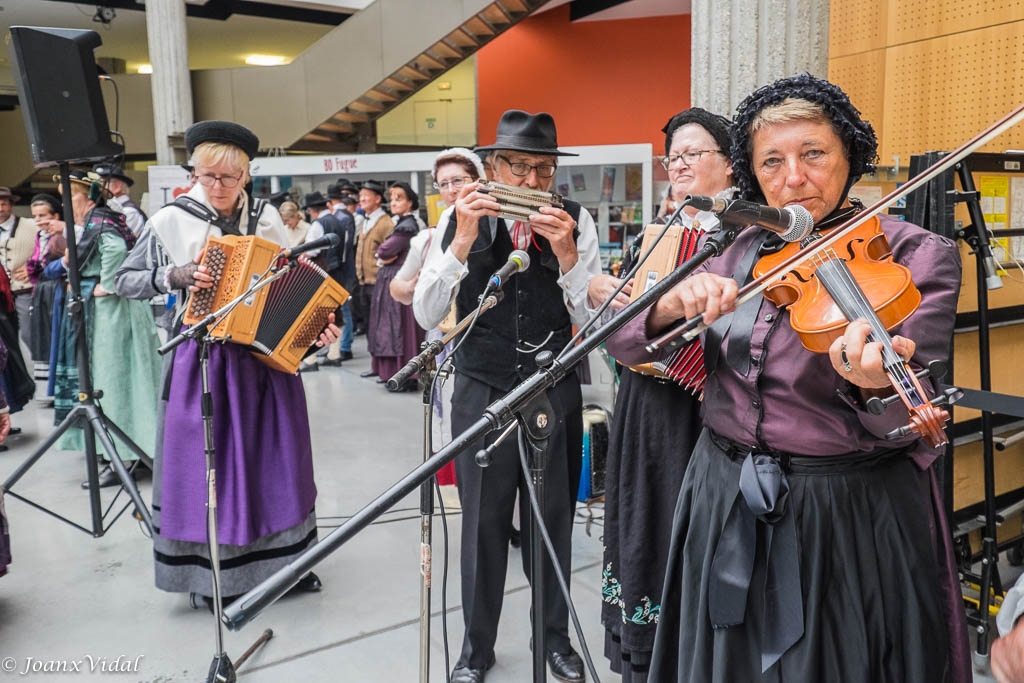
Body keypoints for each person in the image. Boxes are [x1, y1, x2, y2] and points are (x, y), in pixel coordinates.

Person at [607, 73, 970, 682]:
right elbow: (622, 336)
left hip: (844, 512)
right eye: (771, 161)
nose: (793, 178)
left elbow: (915, 412)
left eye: (813, 154)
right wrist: (670, 304)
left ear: (849, 156)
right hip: (720, 492)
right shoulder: (735, 246)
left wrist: (875, 386)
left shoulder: (914, 253)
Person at [113, 120, 340, 606]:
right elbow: (124, 280)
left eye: (228, 178)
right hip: (205, 362)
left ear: (246, 176)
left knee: (279, 462)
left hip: (265, 361)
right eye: (206, 176)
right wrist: (174, 275)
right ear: (193, 171)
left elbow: (292, 283)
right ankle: (210, 576)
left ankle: (289, 565)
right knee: (210, 469)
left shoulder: (267, 217)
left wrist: (314, 326)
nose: (216, 187)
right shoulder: (170, 219)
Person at [414, 109, 602, 683]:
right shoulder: (456, 219)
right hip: (482, 387)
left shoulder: (577, 219)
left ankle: (554, 640)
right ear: (491, 168)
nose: (527, 181)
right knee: (482, 526)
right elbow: (426, 313)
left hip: (553, 385)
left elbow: (592, 320)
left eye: (541, 170)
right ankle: (475, 650)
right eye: (515, 167)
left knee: (551, 524)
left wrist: (569, 255)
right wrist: (463, 240)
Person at [598, 108, 735, 683]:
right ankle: (642, 647)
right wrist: (611, 291)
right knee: (640, 517)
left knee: (683, 529)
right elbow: (632, 320)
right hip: (644, 402)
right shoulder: (665, 227)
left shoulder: (740, 236)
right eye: (672, 156)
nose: (677, 165)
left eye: (691, 154)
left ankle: (681, 652)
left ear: (729, 164)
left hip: (699, 414)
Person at [49, 171, 162, 488]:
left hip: (112, 314)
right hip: (114, 312)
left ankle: (121, 456)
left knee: (115, 380)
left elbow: (114, 249)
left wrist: (108, 284)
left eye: (69, 195)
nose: (65, 202)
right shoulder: (103, 219)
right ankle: (131, 450)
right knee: (123, 379)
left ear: (88, 196)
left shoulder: (101, 221)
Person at [369, 181, 423, 387]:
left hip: (400, 279)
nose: (393, 202)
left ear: (410, 203)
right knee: (391, 328)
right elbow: (384, 252)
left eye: (399, 198)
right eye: (392, 198)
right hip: (394, 278)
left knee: (398, 328)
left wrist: (383, 255)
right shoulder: (402, 224)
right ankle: (395, 373)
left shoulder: (407, 226)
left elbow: (384, 251)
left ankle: (404, 375)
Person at [23, 194, 66, 386]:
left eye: (42, 215)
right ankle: (48, 383)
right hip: (42, 289)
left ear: (56, 216)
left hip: (56, 288)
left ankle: (57, 383)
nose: (38, 220)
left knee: (54, 335)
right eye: (35, 216)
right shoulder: (40, 236)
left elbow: (60, 264)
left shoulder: (60, 237)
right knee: (40, 335)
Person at [355, 180, 395, 378]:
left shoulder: (385, 223)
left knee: (381, 326)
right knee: (371, 326)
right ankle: (375, 365)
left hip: (379, 283)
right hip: (365, 283)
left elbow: (392, 252)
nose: (361, 199)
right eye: (361, 195)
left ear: (378, 199)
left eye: (366, 195)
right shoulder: (365, 220)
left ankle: (384, 368)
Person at [0, 186, 38, 347]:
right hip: (2, 294)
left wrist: (35, 270)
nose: (0, 209)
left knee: (30, 335)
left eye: (3, 204)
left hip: (24, 289)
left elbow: (50, 249)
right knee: (6, 339)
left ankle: (41, 369)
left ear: (11, 205)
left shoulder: (31, 225)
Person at [93, 163, 147, 234]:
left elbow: (123, 240)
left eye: (103, 183)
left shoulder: (129, 212)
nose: (99, 188)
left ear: (118, 186)